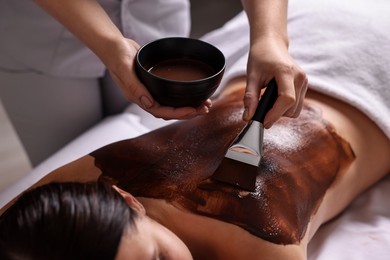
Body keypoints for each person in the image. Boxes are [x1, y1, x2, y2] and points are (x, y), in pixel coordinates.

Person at [2, 0, 390, 258]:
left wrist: (271, 37)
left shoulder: (262, 242)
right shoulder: (88, 186)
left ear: (127, 199)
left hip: (365, 60)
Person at [0, 0, 306, 166]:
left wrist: (271, 37)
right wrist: (109, 44)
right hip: (41, 35)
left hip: (155, 20)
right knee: (73, 173)